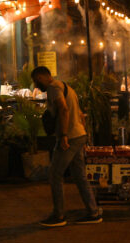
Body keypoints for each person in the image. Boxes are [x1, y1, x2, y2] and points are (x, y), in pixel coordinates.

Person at [31, 66, 102, 227]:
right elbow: (80, 114)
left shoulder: (54, 88)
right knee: (80, 176)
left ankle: (59, 215)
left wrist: (63, 135)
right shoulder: (66, 87)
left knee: (55, 174)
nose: (36, 85)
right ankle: (93, 212)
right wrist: (84, 134)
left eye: (37, 80)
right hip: (78, 135)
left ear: (43, 76)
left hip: (69, 138)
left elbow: (63, 109)